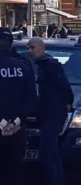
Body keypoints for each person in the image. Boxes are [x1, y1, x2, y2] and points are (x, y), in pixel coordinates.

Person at [27, 37, 74, 185]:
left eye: (32, 48)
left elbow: (64, 86)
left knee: (47, 155)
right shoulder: (38, 65)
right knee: (52, 154)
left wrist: (68, 102)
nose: (29, 51)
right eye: (28, 48)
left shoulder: (50, 65)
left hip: (53, 115)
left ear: (42, 49)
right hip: (43, 115)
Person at [0, 28, 37, 185]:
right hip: (18, 127)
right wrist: (16, 122)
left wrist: (2, 123)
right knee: (15, 169)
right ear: (11, 44)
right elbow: (31, 98)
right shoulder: (23, 63)